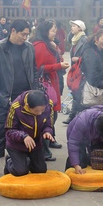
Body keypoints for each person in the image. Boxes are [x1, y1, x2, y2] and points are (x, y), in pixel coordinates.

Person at [0, 19, 38, 180]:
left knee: (27, 131)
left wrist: (36, 93)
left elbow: (33, 70)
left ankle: (25, 162)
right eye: (23, 34)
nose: (25, 37)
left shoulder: (29, 47)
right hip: (4, 98)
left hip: (25, 98)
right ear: (13, 31)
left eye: (27, 34)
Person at [33, 20, 69, 161]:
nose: (55, 32)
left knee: (51, 117)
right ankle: (44, 151)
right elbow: (40, 68)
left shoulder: (49, 44)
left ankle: (49, 143)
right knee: (46, 117)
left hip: (52, 84)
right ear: (45, 31)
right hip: (45, 86)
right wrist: (58, 65)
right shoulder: (40, 46)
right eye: (53, 30)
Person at [4, 90, 54, 176]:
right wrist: (24, 136)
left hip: (35, 143)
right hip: (17, 145)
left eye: (42, 110)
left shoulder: (48, 104)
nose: (40, 113)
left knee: (40, 170)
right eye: (37, 110)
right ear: (27, 106)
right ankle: (10, 161)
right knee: (21, 171)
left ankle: (26, 161)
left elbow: (49, 124)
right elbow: (9, 130)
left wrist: (47, 131)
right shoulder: (16, 107)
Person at [66, 105, 103, 174]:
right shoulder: (83, 121)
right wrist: (76, 165)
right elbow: (73, 143)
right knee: (80, 161)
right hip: (76, 134)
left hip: (96, 137)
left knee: (98, 160)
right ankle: (68, 175)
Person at [80, 29, 103, 107]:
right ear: (96, 39)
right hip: (92, 89)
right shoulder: (90, 51)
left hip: (100, 88)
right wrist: (101, 84)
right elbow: (91, 72)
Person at [63, 20, 87, 124]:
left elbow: (88, 55)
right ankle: (76, 116)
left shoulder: (84, 39)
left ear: (80, 28)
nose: (71, 28)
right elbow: (68, 38)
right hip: (75, 69)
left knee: (77, 92)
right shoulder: (74, 39)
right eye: (71, 26)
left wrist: (79, 58)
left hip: (81, 70)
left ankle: (73, 115)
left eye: (74, 26)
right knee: (75, 92)